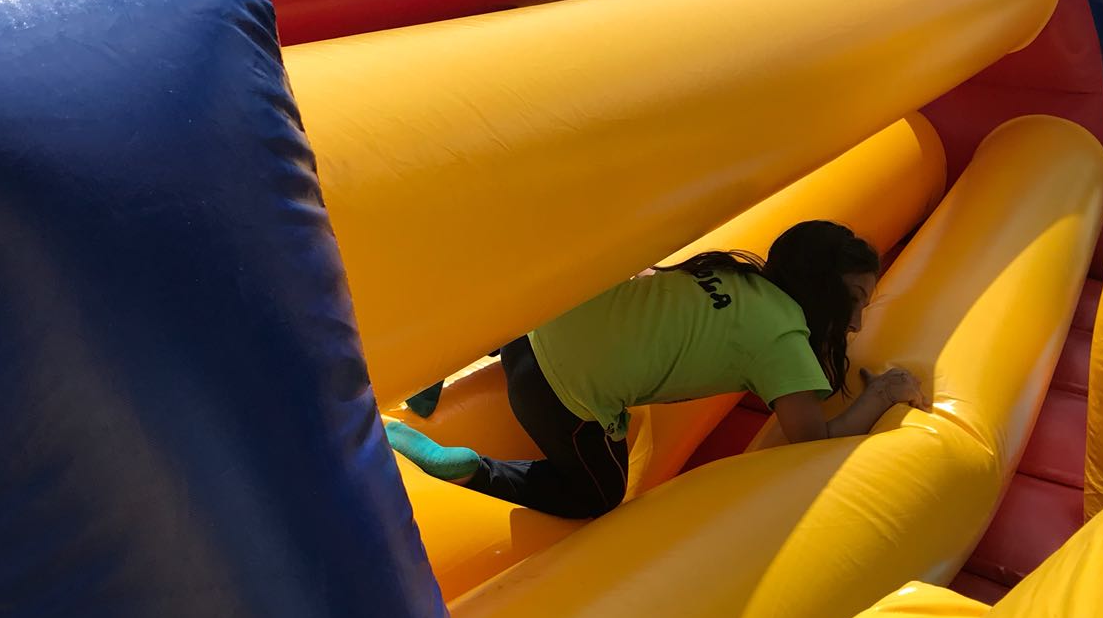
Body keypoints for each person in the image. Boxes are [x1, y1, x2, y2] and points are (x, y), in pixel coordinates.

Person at [384, 220, 928, 519]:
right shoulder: (783, 341)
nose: (856, 322)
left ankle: (438, 368)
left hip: (531, 330)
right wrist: (881, 393)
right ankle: (470, 469)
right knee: (598, 496)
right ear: (820, 292)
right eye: (854, 301)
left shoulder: (733, 272)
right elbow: (810, 441)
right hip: (558, 396)